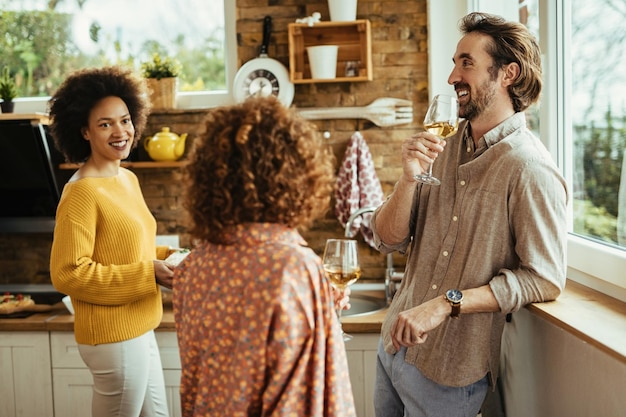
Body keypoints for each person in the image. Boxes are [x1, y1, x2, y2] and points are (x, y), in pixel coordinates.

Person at [371, 12, 568, 417]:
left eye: (467, 63)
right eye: (455, 62)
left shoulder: (529, 168)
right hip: (391, 349)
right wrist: (408, 181)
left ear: (508, 74)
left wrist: (446, 303)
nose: (452, 77)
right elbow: (387, 238)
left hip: (449, 375)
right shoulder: (442, 146)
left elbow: (545, 278)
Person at [172, 96, 356, 417]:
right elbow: (300, 402)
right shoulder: (293, 268)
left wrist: (320, 301)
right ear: (296, 176)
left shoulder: (192, 267)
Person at [48, 66, 174, 417]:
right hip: (113, 337)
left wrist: (171, 257)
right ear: (84, 132)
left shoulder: (126, 179)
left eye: (125, 120)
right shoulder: (81, 193)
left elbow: (132, 249)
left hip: (141, 325)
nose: (120, 132)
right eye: (105, 124)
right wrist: (149, 273)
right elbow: (69, 273)